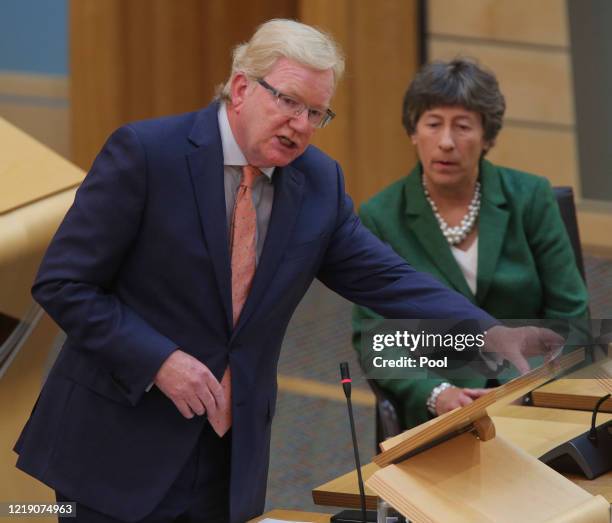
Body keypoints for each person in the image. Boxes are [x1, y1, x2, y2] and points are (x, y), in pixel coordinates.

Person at [15, 22, 561, 523]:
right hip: (118, 444)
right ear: (242, 87)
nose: (301, 126)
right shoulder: (147, 154)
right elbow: (63, 283)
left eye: (317, 113)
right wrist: (158, 359)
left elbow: (386, 276)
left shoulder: (318, 182)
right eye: (289, 102)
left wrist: (487, 330)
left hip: (232, 452)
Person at [352, 58, 588, 430]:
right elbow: (376, 339)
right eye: (433, 124)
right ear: (414, 132)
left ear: (488, 137)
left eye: (462, 127)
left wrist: (538, 388)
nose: (446, 142)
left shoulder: (531, 197)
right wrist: (436, 393)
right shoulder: (381, 215)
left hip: (534, 400)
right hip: (441, 414)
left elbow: (571, 315)